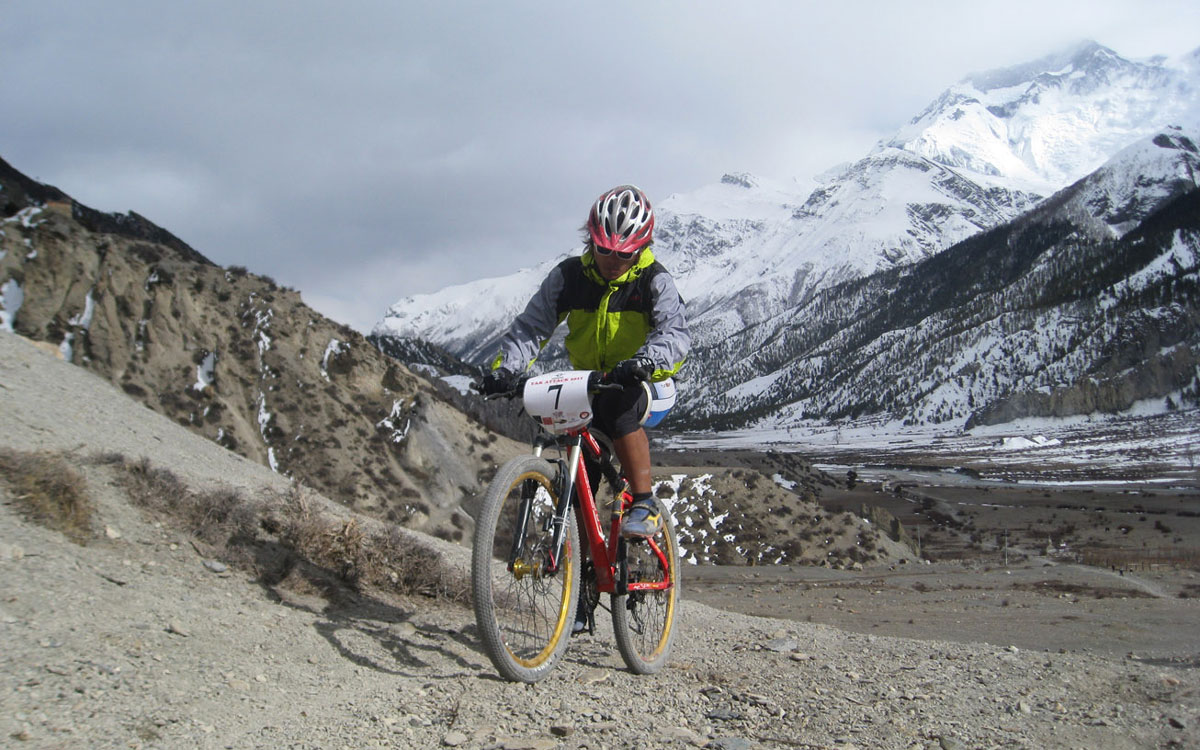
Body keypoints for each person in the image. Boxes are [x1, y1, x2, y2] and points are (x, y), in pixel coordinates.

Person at [481, 184, 690, 542]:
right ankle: (583, 576)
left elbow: (676, 334)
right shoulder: (569, 277)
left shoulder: (653, 279)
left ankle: (644, 502)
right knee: (581, 476)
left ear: (642, 248)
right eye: (603, 249)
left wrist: (645, 361)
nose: (612, 259)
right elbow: (532, 326)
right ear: (590, 240)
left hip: (651, 379)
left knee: (617, 405)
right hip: (591, 382)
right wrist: (506, 370)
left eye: (624, 254)